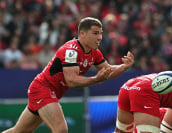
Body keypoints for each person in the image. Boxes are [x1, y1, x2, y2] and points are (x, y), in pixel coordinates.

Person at [3, 17, 134, 133]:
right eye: (95, 33)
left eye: (100, 33)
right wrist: (96, 79)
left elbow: (108, 71)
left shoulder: (95, 52)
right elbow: (72, 81)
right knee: (60, 130)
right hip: (42, 89)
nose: (99, 37)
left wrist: (124, 67)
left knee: (19, 131)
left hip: (49, 92)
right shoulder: (71, 51)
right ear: (82, 33)